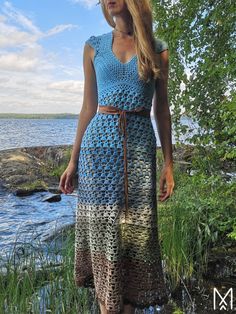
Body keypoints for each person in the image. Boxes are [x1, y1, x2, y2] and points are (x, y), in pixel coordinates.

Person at [59, 0, 175, 313]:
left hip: (139, 150)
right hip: (97, 154)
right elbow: (87, 107)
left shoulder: (157, 48)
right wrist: (72, 161)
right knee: (103, 235)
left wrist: (168, 163)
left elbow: (161, 111)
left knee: (135, 236)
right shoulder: (93, 46)